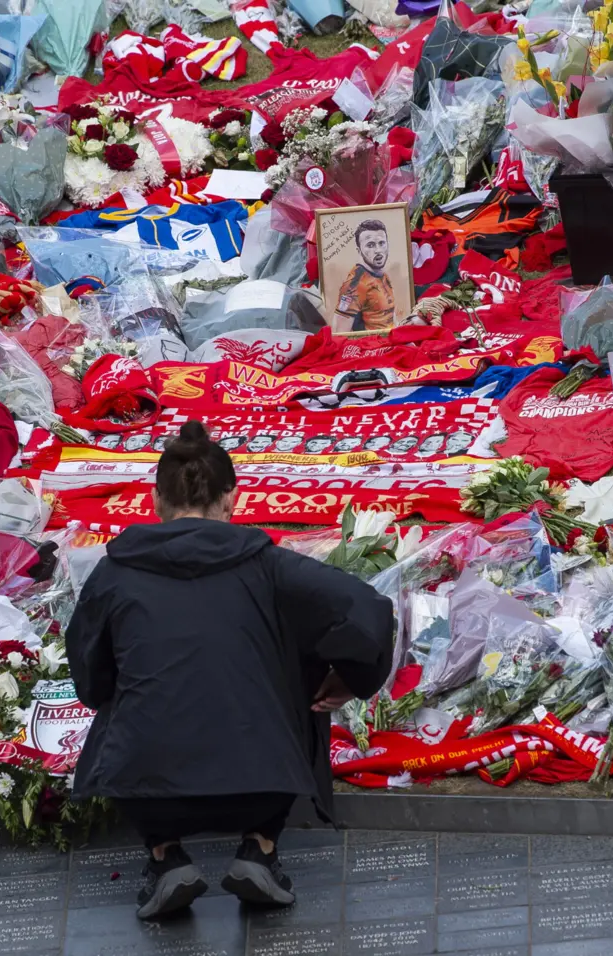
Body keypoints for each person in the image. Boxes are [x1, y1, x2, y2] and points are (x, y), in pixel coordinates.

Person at [66, 421, 393, 921]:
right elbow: (366, 609)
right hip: (259, 778)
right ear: (231, 499)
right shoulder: (270, 567)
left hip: (150, 782)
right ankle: (259, 846)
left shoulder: (114, 574)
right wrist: (351, 676)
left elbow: (90, 679)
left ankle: (165, 854)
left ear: (156, 501)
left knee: (123, 690)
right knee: (297, 660)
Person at [334, 219, 397, 332]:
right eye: (370, 245)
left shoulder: (383, 275)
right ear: (359, 250)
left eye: (381, 243)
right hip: (372, 346)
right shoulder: (355, 284)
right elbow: (341, 334)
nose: (378, 250)